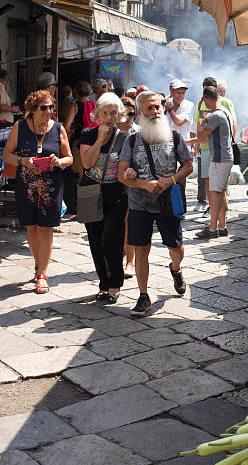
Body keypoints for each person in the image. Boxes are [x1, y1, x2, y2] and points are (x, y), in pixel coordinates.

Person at [118, 90, 192, 317]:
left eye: (158, 106)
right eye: (149, 108)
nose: (155, 111)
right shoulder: (131, 140)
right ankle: (143, 295)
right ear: (140, 112)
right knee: (141, 248)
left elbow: (188, 166)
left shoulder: (175, 137)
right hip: (139, 203)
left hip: (168, 203)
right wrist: (141, 183)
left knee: (175, 248)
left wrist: (170, 180)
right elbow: (121, 174)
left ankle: (175, 269)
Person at [2, 90, 72, 293]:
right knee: (31, 227)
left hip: (51, 185)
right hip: (27, 184)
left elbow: (70, 158)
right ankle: (37, 264)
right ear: (32, 110)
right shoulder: (20, 127)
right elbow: (7, 154)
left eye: (51, 107)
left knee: (46, 228)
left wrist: (59, 162)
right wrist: (23, 161)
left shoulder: (58, 129)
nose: (49, 111)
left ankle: (42, 273)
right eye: (43, 108)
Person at [80, 93, 129, 303]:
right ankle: (103, 284)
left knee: (111, 241)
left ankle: (115, 284)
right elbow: (86, 164)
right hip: (91, 195)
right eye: (105, 113)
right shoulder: (87, 134)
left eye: (113, 113)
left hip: (117, 196)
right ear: (97, 114)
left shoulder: (125, 138)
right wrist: (100, 139)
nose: (109, 117)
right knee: (96, 242)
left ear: (119, 115)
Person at [192, 77, 236, 213]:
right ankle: (212, 207)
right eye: (205, 88)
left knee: (220, 183)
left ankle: (223, 207)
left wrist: (230, 141)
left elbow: (233, 123)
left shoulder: (225, 103)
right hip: (205, 147)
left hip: (220, 148)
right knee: (207, 178)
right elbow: (198, 123)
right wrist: (197, 144)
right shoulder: (200, 103)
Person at [118, 96, 139, 279]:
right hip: (112, 183)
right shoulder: (109, 132)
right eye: (125, 114)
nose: (128, 118)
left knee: (128, 221)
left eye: (132, 114)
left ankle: (130, 261)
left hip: (133, 183)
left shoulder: (139, 132)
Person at [65, 81, 97, 179]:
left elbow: (66, 126)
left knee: (80, 170)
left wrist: (69, 134)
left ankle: (81, 191)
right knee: (93, 169)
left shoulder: (75, 105)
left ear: (76, 92)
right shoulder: (95, 105)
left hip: (79, 140)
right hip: (94, 141)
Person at [57, 85, 77, 215]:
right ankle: (74, 205)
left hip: (64, 139)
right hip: (71, 139)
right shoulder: (73, 104)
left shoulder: (60, 104)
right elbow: (68, 125)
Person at [166, 79, 194, 146]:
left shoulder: (189, 105)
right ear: (172, 92)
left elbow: (179, 122)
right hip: (167, 144)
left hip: (183, 145)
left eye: (183, 93)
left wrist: (169, 109)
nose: (181, 95)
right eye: (178, 93)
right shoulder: (166, 102)